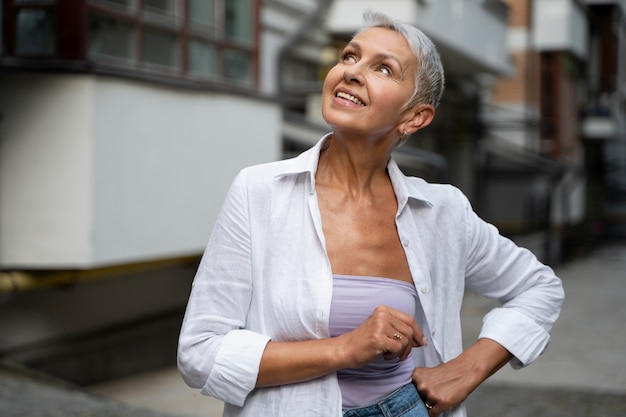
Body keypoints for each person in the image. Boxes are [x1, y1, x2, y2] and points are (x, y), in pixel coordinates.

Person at [177, 10, 564, 417]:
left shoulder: (443, 213)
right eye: (348, 56)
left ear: (415, 117)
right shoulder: (259, 192)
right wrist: (347, 348)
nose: (352, 72)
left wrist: (468, 368)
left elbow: (539, 288)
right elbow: (200, 352)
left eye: (383, 68)